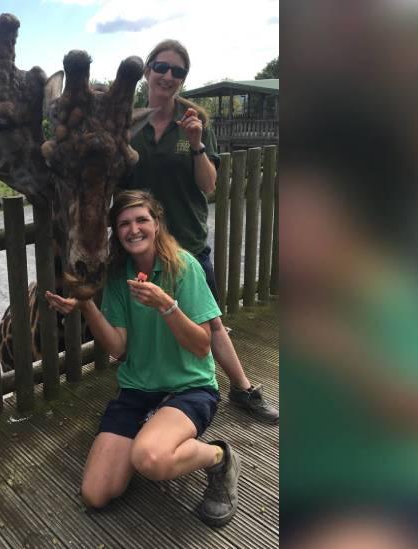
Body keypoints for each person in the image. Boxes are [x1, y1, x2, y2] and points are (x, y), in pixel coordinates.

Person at [45, 190, 240, 527]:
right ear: (116, 232)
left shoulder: (185, 267)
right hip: (137, 391)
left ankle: (219, 457)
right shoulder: (120, 276)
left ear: (156, 223)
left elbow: (201, 346)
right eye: (123, 224)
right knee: (96, 493)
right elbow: (118, 349)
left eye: (141, 220)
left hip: (189, 388)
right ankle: (151, 434)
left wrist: (167, 305)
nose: (133, 229)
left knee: (149, 458)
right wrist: (87, 304)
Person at [118, 39, 279, 423]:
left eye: (178, 71)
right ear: (148, 72)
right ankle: (153, 395)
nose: (168, 76)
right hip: (141, 246)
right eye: (161, 67)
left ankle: (242, 388)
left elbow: (209, 185)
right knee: (144, 320)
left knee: (210, 322)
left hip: (187, 241)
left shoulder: (194, 120)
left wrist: (195, 145)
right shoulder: (126, 126)